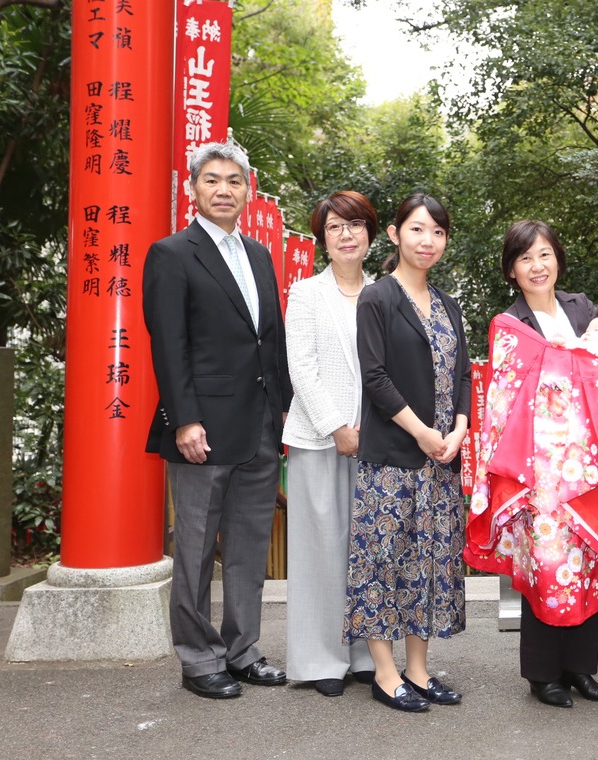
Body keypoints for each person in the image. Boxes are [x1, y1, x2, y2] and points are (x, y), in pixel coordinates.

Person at [466, 222, 598, 708]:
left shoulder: (583, 309)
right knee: (546, 566)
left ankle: (581, 670)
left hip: (591, 468)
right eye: (525, 258)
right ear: (512, 270)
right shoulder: (510, 325)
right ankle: (543, 675)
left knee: (588, 562)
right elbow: (506, 396)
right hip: (540, 474)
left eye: (545, 254)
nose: (537, 266)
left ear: (558, 260)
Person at [142, 141, 293, 699]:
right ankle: (198, 658)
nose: (223, 190)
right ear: (192, 188)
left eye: (234, 180)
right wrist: (184, 420)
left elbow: (269, 341)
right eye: (212, 180)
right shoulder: (171, 254)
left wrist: (283, 412)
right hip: (201, 427)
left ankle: (242, 650)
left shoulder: (258, 255)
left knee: (250, 546)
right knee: (196, 548)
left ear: (247, 190)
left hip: (260, 425)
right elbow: (169, 344)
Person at [344, 193, 470, 713]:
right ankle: (385, 673)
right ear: (396, 235)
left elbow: (464, 375)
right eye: (417, 229)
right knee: (383, 562)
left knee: (429, 563)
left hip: (440, 461)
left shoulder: (448, 304)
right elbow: (374, 377)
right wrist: (421, 432)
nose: (428, 241)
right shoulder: (377, 298)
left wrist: (459, 429)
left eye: (438, 232)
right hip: (393, 458)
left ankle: (418, 670)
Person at [281, 191, 378, 697]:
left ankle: (364, 655)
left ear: (370, 234)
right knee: (319, 548)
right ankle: (320, 659)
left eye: (355, 225)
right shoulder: (306, 293)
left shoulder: (385, 293)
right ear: (322, 238)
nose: (346, 234)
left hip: (378, 441)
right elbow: (302, 368)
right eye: (335, 226)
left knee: (366, 547)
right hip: (319, 438)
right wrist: (337, 426)